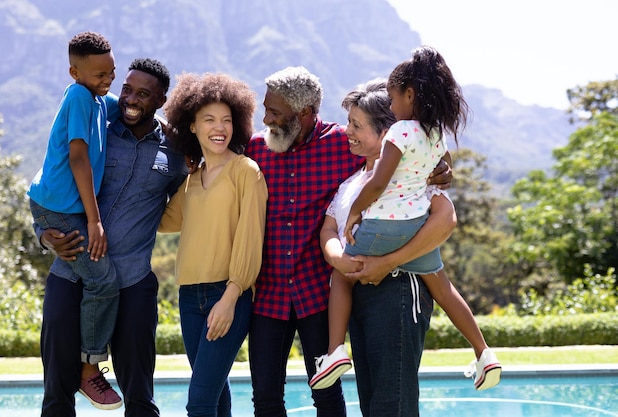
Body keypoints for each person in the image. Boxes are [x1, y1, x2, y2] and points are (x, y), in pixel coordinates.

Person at [244, 66, 452, 416]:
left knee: (329, 396)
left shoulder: (346, 142)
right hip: (269, 294)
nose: (266, 119)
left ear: (306, 114)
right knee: (265, 398)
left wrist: (444, 164)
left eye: (276, 112)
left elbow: (405, 145)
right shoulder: (255, 149)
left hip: (317, 294)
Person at [312, 47, 501, 397]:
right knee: (375, 399)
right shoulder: (352, 181)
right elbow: (327, 228)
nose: (347, 132)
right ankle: (483, 352)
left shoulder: (418, 172)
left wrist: (384, 260)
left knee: (391, 400)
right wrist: (338, 256)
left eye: (356, 126)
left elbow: (446, 218)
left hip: (398, 290)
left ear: (387, 129)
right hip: (365, 291)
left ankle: (334, 350)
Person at [37, 58, 187, 417]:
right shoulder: (94, 124)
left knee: (139, 395)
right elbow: (52, 184)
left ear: (162, 100)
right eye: (127, 89)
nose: (131, 99)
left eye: (143, 94)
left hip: (133, 279)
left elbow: (192, 201)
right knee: (57, 393)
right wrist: (45, 237)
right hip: (71, 270)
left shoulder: (176, 150)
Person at [159, 72, 268, 417]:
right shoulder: (191, 181)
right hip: (189, 297)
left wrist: (231, 296)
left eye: (226, 120)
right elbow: (162, 221)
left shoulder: (246, 172)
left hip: (228, 293)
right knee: (215, 395)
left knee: (200, 402)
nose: (219, 127)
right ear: (191, 126)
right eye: (208, 120)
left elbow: (251, 240)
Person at [27, 31, 122, 409]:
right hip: (60, 209)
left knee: (96, 278)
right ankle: (89, 368)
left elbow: (134, 110)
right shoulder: (81, 95)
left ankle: (86, 362)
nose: (107, 80)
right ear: (74, 72)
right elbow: (78, 158)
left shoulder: (99, 98)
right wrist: (95, 222)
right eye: (99, 74)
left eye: (111, 72)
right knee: (103, 280)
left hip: (58, 208)